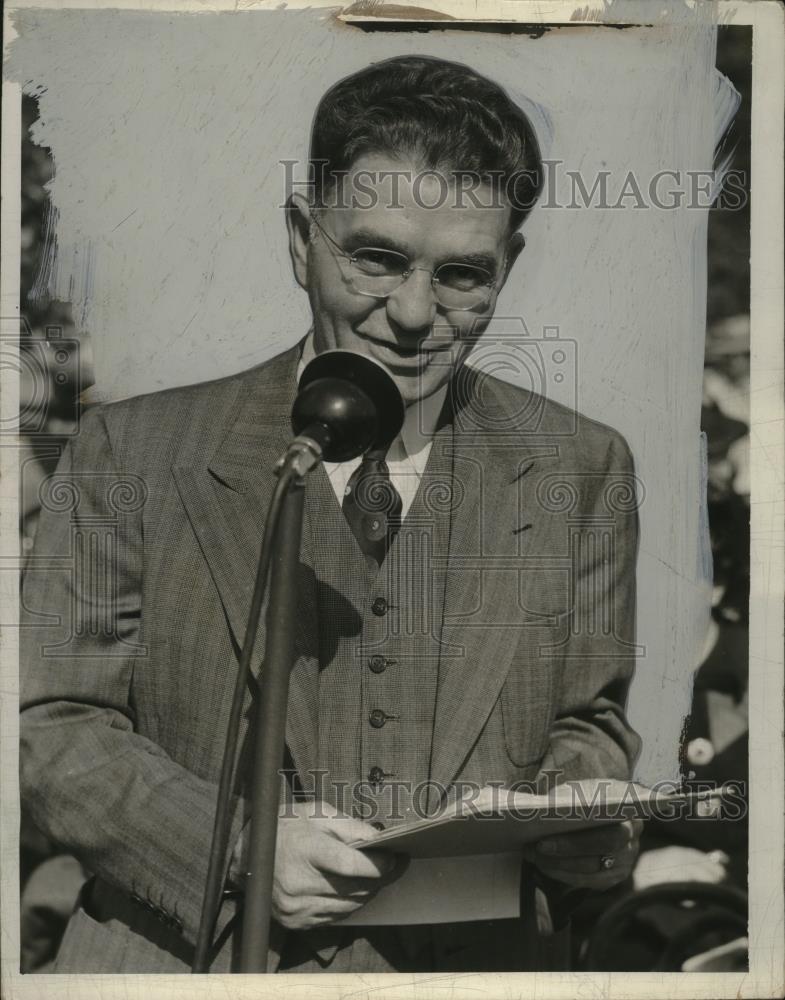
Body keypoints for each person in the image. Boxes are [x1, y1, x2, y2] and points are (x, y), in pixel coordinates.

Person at [20, 55, 643, 974]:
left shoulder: (583, 467)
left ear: (508, 264)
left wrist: (583, 819)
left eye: (464, 275)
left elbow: (588, 721)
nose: (413, 313)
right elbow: (48, 726)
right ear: (299, 238)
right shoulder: (130, 451)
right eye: (377, 258)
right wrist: (237, 848)